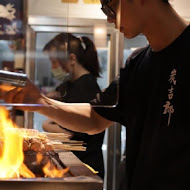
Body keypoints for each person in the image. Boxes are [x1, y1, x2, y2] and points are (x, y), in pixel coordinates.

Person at [1, 0, 190, 189]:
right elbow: (95, 118)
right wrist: (40, 101)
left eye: (111, 6)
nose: (109, 18)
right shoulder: (137, 63)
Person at [41, 33, 105, 180]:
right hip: (75, 165)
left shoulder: (85, 87)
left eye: (55, 62)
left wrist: (46, 125)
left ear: (71, 59)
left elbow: (69, 134)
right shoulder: (70, 85)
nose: (53, 68)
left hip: (86, 167)